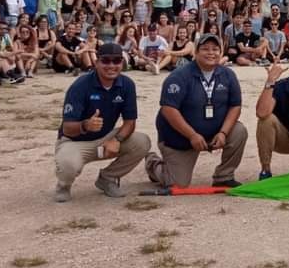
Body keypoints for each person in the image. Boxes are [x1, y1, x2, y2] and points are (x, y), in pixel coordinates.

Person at [145, 34, 248, 188]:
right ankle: (153, 163)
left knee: (239, 131)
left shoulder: (228, 75)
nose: (211, 53)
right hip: (180, 137)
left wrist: (223, 133)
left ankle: (224, 176)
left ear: (221, 52)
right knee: (177, 184)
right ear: (195, 53)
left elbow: (235, 106)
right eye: (205, 49)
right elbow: (168, 109)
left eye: (215, 49)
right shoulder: (179, 75)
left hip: (213, 133)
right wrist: (191, 135)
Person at [53, 42, 151, 202]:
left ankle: (107, 178)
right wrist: (85, 125)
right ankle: (64, 185)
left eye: (117, 60)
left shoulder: (127, 84)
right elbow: (67, 129)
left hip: (105, 138)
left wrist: (116, 140)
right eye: (106, 61)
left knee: (142, 142)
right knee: (68, 164)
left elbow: (130, 122)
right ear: (96, 62)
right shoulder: (80, 86)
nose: (111, 65)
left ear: (122, 63)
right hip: (75, 141)